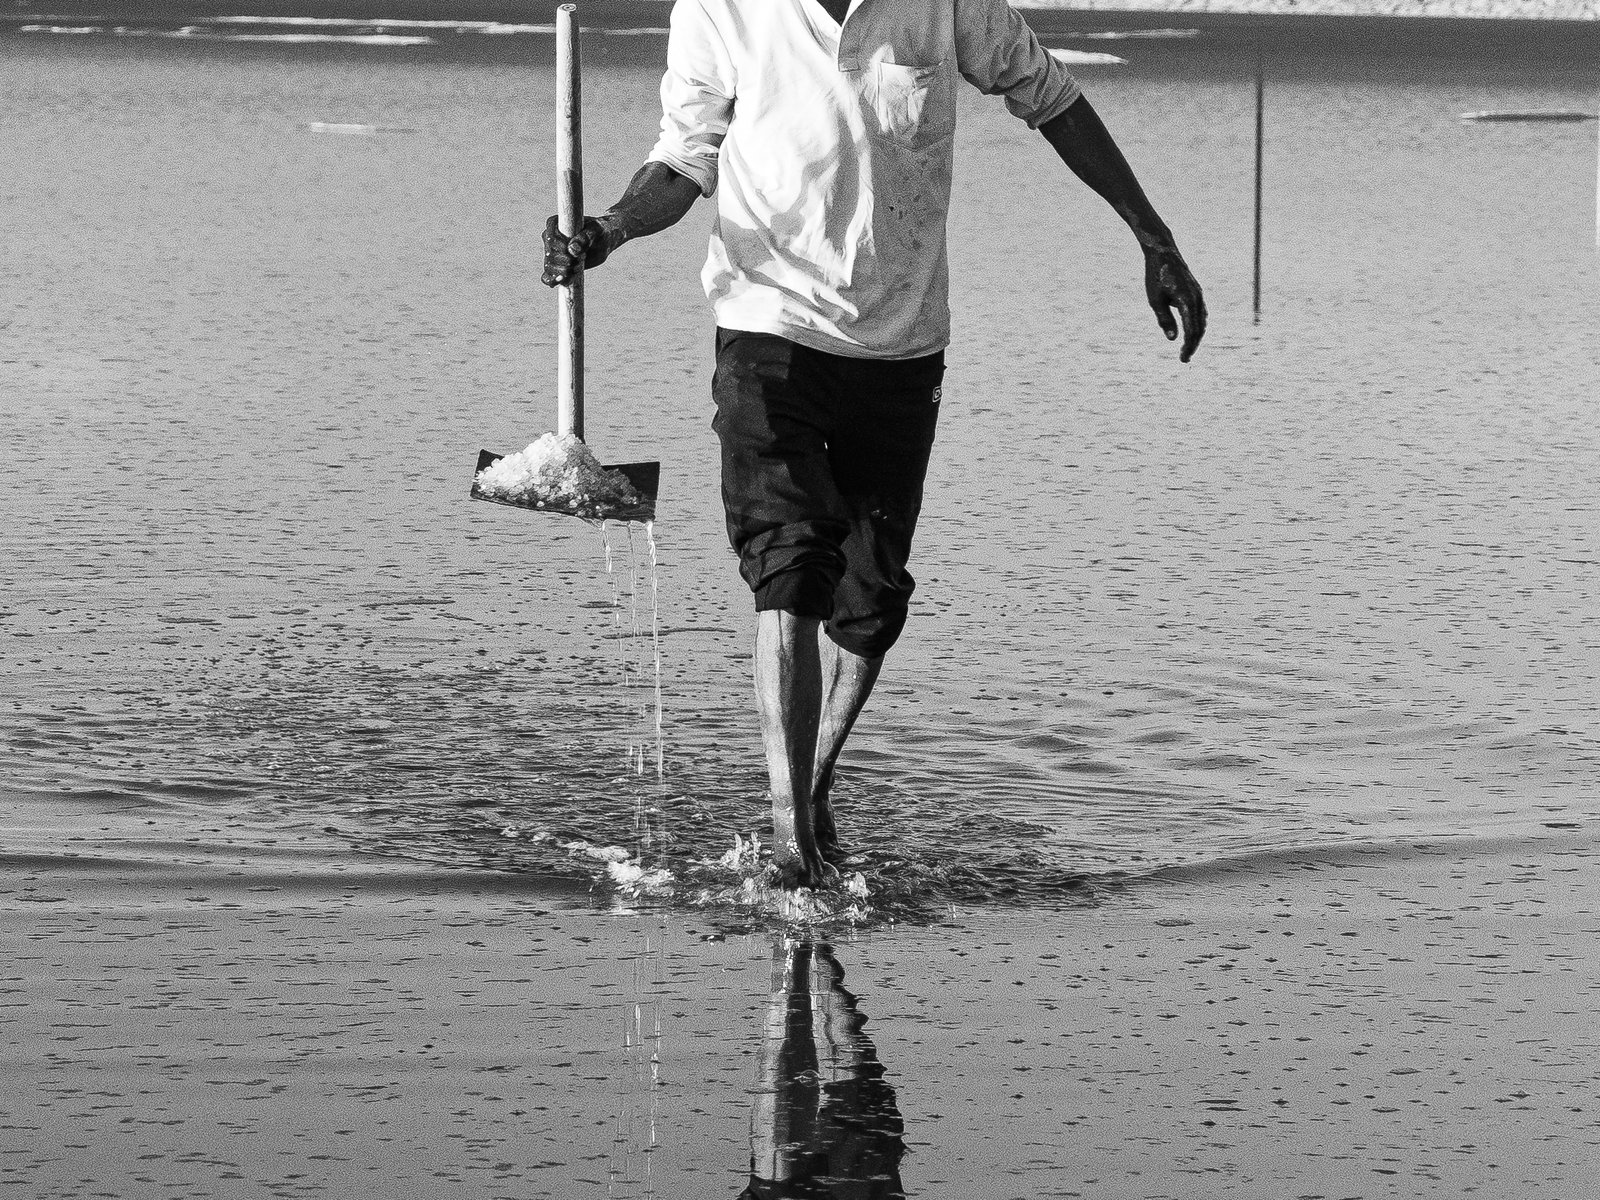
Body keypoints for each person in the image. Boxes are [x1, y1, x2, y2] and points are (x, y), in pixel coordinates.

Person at [543, 0, 1206, 889]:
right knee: (789, 566)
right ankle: (790, 848)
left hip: (900, 342)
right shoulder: (720, 6)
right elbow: (683, 158)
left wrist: (1153, 237)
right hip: (766, 325)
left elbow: (1050, 97)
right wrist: (609, 229)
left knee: (871, 601)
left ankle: (810, 786)